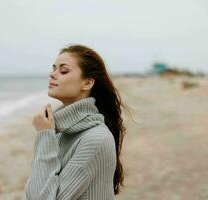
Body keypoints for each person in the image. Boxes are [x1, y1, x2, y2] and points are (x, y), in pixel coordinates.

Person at [24, 44, 131, 199]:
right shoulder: (62, 129)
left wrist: (45, 136)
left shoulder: (96, 138)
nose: (53, 74)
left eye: (63, 70)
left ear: (87, 83)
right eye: (53, 69)